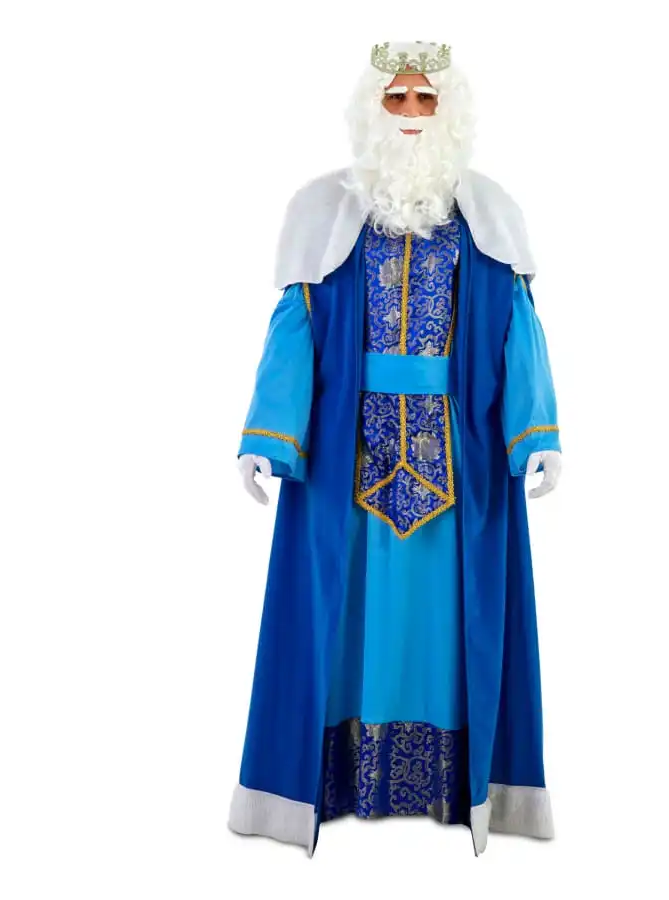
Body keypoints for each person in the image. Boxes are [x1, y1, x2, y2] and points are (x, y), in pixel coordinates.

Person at [228, 41, 561, 856]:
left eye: (425, 99)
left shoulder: (489, 214)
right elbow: (298, 328)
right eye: (396, 98)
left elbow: (517, 331)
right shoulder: (324, 211)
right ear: (371, 109)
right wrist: (268, 433)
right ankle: (335, 781)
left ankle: (453, 785)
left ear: (449, 111)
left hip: (460, 460)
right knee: (344, 621)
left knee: (450, 625)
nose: (411, 113)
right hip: (346, 456)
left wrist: (537, 433)